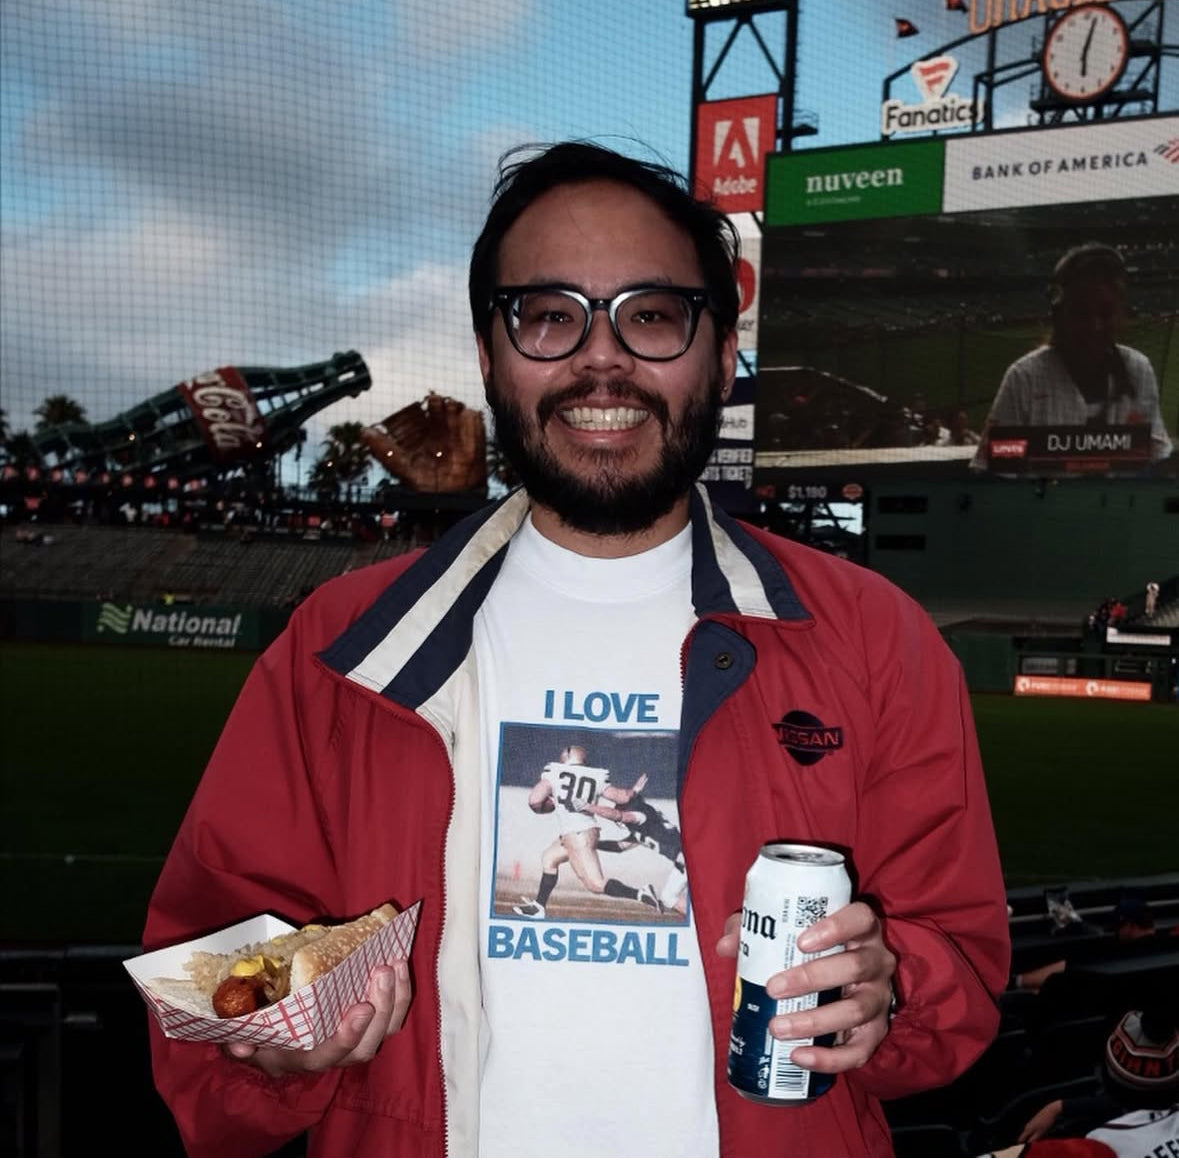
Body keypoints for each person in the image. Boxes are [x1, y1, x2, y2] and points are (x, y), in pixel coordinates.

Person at [143, 140, 1010, 1157]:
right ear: (488, 351)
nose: (602, 359)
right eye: (550, 316)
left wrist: (889, 987)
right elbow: (199, 996)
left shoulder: (874, 640)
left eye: (651, 315)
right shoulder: (338, 649)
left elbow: (962, 972)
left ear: (722, 352)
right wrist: (263, 1041)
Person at [971, 243, 1174, 472]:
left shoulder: (1138, 369)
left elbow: (1158, 458)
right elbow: (990, 472)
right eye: (1081, 313)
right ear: (1059, 315)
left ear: (1120, 313)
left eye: (1105, 312)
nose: (1095, 326)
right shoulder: (1025, 378)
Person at [511, 746, 660, 918]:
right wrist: (634, 790)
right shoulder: (596, 776)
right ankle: (539, 906)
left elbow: (534, 801)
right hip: (584, 831)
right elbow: (622, 797)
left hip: (577, 834)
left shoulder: (554, 771)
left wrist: (549, 807)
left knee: (595, 884)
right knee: (550, 858)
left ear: (567, 755)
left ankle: (641, 893)